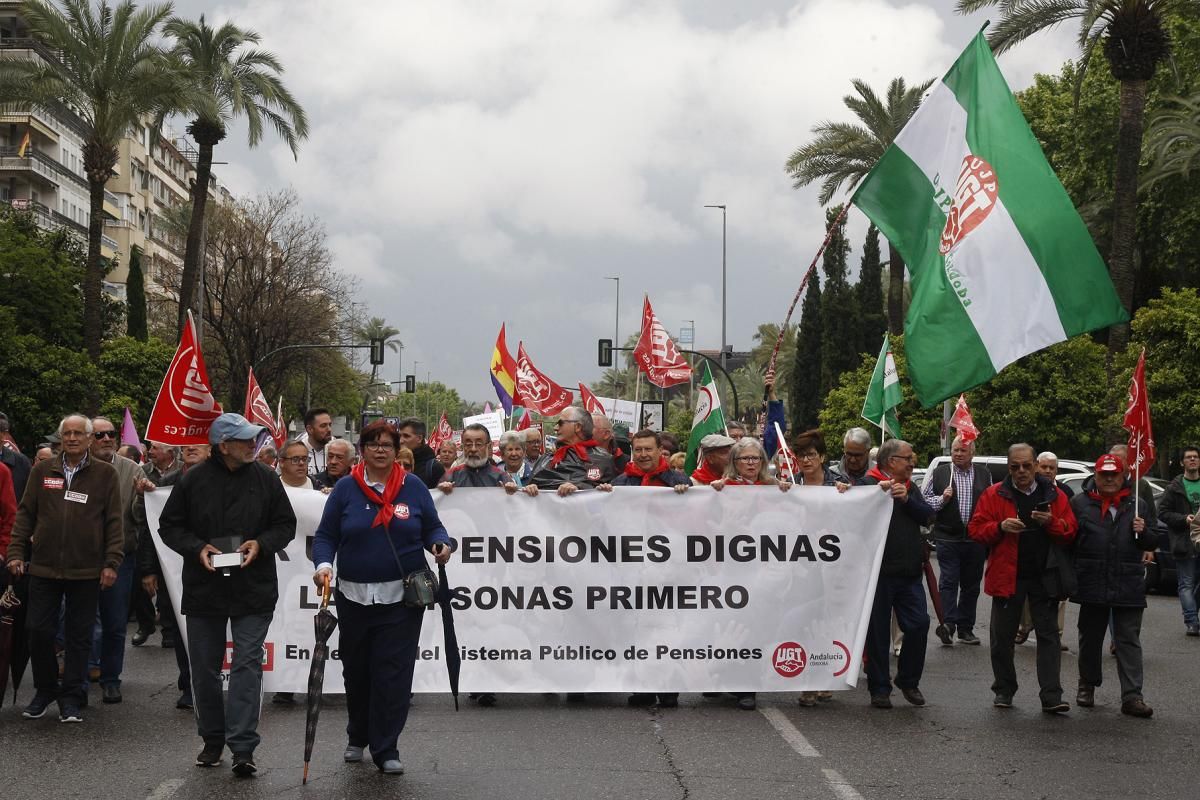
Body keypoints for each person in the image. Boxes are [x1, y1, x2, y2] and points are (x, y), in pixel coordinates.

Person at [158, 413, 297, 777]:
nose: (254, 444)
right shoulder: (193, 480)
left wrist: (260, 544)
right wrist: (197, 547)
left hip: (254, 588)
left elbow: (285, 525)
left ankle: (243, 747)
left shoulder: (267, 478)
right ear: (223, 446)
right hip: (206, 589)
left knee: (247, 664)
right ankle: (212, 739)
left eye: (255, 438)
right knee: (204, 667)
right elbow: (169, 526)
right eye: (246, 440)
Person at [312, 420, 453, 775]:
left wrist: (440, 544)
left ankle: (386, 746)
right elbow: (326, 536)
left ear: (395, 451)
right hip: (353, 596)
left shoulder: (414, 486)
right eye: (372, 444)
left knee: (392, 673)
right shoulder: (346, 489)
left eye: (387, 444)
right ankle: (357, 735)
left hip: (401, 600)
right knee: (357, 671)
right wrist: (324, 565)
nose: (380, 450)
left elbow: (432, 527)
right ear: (362, 450)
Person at [6, 414, 123, 724]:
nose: (72, 438)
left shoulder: (105, 474)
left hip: (86, 570)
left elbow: (114, 522)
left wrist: (112, 562)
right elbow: (25, 514)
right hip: (43, 567)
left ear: (88, 439)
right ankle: (45, 690)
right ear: (61, 438)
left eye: (78, 433)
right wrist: (16, 552)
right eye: (67, 433)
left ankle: (72, 696)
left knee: (79, 636)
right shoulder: (43, 471)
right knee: (38, 631)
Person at [968, 443, 1077, 713]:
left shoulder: (1054, 494)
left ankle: (1052, 696)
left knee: (1049, 637)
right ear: (1008, 468)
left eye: (1027, 466)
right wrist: (999, 527)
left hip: (1044, 577)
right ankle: (1004, 690)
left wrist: (1050, 522)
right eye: (1015, 466)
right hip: (1008, 576)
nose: (1021, 471)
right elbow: (976, 529)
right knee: (1001, 638)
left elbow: (1070, 531)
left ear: (1037, 466)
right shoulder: (995, 494)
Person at [1070, 454, 1156, 718]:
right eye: (1104, 475)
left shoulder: (1137, 503)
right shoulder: (1080, 503)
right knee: (1090, 638)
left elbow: (1152, 541)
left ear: (1123, 476)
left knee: (1128, 640)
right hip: (1092, 580)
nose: (1109, 479)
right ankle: (1087, 684)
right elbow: (1069, 540)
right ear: (1096, 475)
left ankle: (1132, 696)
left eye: (1114, 475)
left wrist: (1144, 532)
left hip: (1127, 581)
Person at [860, 438, 935, 710]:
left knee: (919, 624)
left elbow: (928, 516)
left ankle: (907, 679)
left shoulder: (910, 488)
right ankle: (879, 688)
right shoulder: (867, 486)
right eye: (908, 458)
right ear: (892, 462)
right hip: (877, 575)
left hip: (908, 573)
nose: (912, 462)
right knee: (878, 635)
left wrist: (906, 500)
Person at [137, 443, 209, 710]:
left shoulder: (226, 479)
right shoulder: (166, 484)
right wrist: (148, 569)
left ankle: (209, 682)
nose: (190, 447)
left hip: (215, 567)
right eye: (186, 444)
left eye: (198, 442)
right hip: (174, 568)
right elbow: (150, 528)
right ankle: (189, 682)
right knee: (182, 628)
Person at [86, 416, 146, 704]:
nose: (107, 439)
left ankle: (111, 679)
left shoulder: (133, 470)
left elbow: (138, 519)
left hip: (121, 558)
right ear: (88, 439)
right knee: (79, 620)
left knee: (114, 622)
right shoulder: (73, 469)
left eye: (111, 434)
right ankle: (79, 678)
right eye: (100, 435)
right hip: (80, 558)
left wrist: (142, 498)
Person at [789, 429, 849, 707]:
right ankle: (808, 683)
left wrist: (848, 496)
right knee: (806, 623)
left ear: (822, 457)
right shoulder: (789, 483)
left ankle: (825, 678)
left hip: (834, 566)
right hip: (802, 567)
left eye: (811, 454)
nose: (805, 460)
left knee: (830, 623)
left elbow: (857, 517)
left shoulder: (840, 483)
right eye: (800, 455)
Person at [921, 435, 992, 647]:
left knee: (971, 585)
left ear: (972, 453)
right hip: (947, 536)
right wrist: (942, 499)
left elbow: (989, 502)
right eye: (955, 450)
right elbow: (925, 503)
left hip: (974, 539)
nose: (958, 454)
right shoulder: (940, 473)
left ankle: (966, 629)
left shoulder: (984, 474)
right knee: (949, 581)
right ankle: (948, 624)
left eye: (962, 451)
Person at [1016, 452, 1075, 648]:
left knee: (1059, 594)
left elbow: (1071, 524)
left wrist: (1055, 524)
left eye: (1052, 468)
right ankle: (1024, 627)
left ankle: (1055, 635)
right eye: (1044, 467)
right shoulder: (1028, 490)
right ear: (1036, 467)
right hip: (1031, 552)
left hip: (1057, 552)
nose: (1048, 471)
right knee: (1026, 592)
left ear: (1057, 471)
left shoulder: (1065, 493)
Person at [1157, 444, 1200, 636]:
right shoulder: (1174, 487)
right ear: (1182, 462)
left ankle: (1193, 615)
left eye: (1195, 457)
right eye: (1189, 457)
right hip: (1184, 542)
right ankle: (1192, 621)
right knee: (1186, 583)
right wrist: (1184, 519)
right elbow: (1163, 512)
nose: (1192, 460)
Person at [528, 407, 615, 496]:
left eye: (560, 423)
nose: (556, 428)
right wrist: (531, 488)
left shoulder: (603, 460)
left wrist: (580, 487)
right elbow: (529, 490)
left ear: (578, 427)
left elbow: (608, 497)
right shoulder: (546, 458)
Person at [439, 424, 520, 493]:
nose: (473, 449)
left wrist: (512, 493)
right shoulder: (452, 475)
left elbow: (515, 507)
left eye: (478, 444)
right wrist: (441, 491)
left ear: (489, 446)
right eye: (468, 444)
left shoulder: (501, 476)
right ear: (462, 447)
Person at [710, 437, 792, 492]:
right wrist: (715, 488)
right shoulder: (725, 485)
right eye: (745, 458)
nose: (751, 463)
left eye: (755, 458)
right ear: (735, 462)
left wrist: (789, 488)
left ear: (762, 461)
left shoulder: (772, 484)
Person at [396, 417, 446, 489]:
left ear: (419, 438)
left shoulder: (434, 468)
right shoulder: (391, 462)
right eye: (399, 436)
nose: (401, 441)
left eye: (406, 436)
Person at [303, 408, 334, 476]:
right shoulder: (294, 451)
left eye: (330, 425)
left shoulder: (338, 450)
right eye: (323, 426)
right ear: (310, 429)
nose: (329, 429)